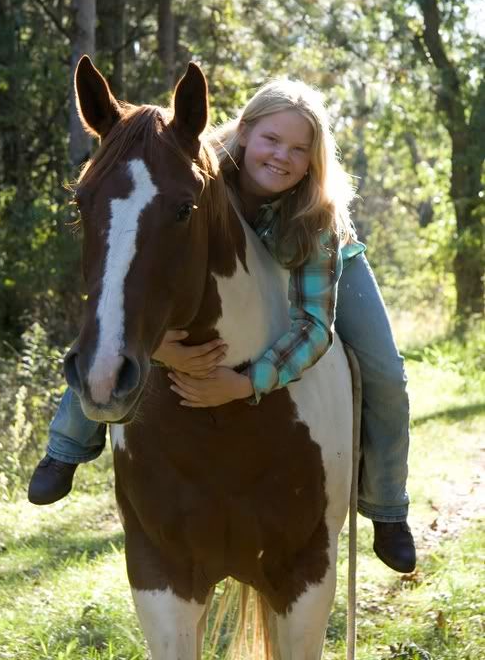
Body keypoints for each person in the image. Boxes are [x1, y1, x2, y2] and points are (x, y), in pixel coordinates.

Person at [28, 79, 416, 573]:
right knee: (114, 316)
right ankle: (67, 445)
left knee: (386, 373)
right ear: (245, 131)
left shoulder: (317, 213)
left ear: (314, 160)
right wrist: (163, 349)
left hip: (319, 262)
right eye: (272, 140)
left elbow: (314, 326)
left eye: (300, 149)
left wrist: (247, 381)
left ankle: (387, 506)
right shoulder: (195, 168)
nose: (282, 157)